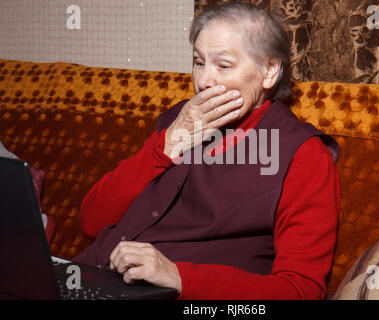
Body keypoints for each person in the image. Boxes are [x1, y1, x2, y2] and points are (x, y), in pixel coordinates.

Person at [74, 2, 340, 300]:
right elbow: (91, 221)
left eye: (223, 66)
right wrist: (167, 145)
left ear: (270, 70)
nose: (202, 82)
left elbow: (301, 291)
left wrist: (179, 277)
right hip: (87, 279)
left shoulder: (302, 154)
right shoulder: (179, 120)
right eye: (199, 62)